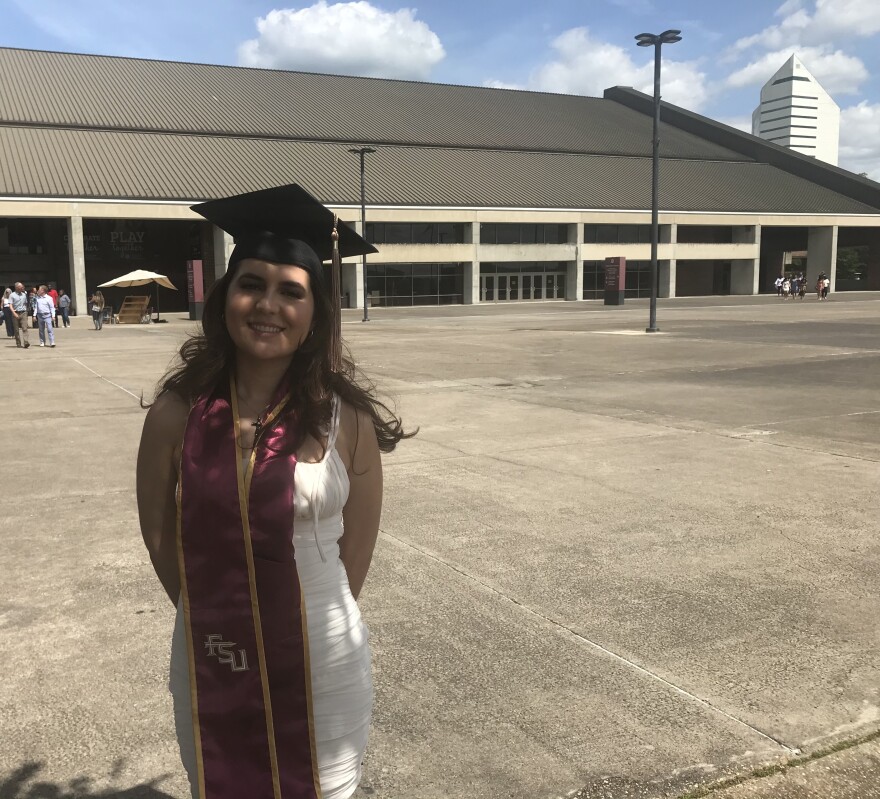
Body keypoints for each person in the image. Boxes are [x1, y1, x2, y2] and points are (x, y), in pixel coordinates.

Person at [136, 184, 413, 799]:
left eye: (292, 290)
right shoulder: (176, 415)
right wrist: (212, 607)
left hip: (322, 653)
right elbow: (158, 532)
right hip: (213, 646)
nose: (268, 304)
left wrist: (296, 616)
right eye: (251, 283)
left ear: (316, 312)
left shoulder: (349, 420)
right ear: (225, 296)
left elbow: (357, 552)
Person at [8, 282, 30, 348]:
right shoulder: (12, 295)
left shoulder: (24, 294)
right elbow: (10, 305)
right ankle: (18, 343)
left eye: (22, 287)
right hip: (15, 313)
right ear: (17, 288)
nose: (22, 288)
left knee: (25, 328)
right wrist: (14, 313)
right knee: (16, 330)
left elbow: (25, 303)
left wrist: (26, 311)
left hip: (23, 313)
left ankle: (26, 342)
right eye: (21, 287)